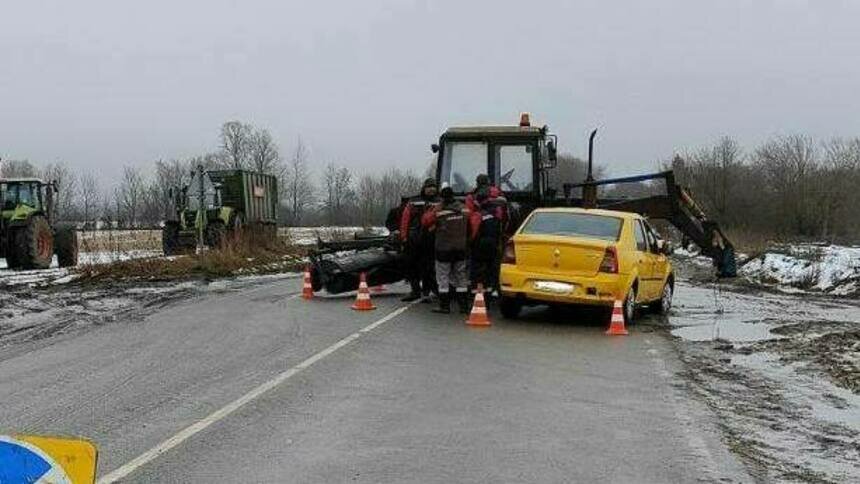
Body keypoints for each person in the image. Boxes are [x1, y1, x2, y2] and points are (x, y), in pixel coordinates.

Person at [421, 182, 470, 314]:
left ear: (442, 197)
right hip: (461, 249)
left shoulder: (439, 210)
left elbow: (425, 221)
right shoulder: (464, 209)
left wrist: (434, 209)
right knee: (461, 277)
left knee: (443, 278)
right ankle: (464, 307)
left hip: (443, 250)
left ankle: (444, 306)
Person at [399, 178, 439, 302]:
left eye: (434, 187)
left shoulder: (440, 202)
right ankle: (415, 291)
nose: (431, 189)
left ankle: (426, 293)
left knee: (428, 267)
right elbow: (405, 220)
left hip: (431, 239)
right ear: (424, 188)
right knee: (411, 265)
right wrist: (404, 237)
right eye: (429, 187)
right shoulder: (413, 201)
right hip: (414, 238)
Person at [467, 174, 506, 296]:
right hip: (495, 237)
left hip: (479, 239)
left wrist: (470, 240)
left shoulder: (472, 198)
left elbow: (469, 218)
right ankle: (493, 289)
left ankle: (477, 292)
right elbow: (506, 217)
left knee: (477, 267)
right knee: (493, 265)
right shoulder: (499, 197)